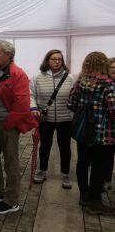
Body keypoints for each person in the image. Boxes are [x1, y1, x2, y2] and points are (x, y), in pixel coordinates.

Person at [0, 40, 37, 214]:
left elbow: (22, 105)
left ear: (9, 55)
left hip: (6, 125)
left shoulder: (18, 74)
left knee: (11, 161)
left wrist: (8, 124)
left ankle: (11, 200)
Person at [68, 52, 115, 215]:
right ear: (103, 65)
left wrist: (85, 114)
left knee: (82, 162)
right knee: (99, 167)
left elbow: (71, 103)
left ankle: (84, 195)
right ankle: (95, 202)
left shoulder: (80, 82)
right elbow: (113, 110)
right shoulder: (108, 85)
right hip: (104, 134)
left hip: (83, 132)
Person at [30, 50, 74, 189]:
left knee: (65, 147)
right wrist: (33, 108)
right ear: (47, 60)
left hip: (65, 118)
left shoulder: (70, 77)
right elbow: (31, 95)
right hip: (45, 118)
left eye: (59, 59)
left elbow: (74, 97)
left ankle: (66, 174)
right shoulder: (37, 77)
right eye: (53, 59)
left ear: (62, 62)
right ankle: (42, 171)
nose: (56, 61)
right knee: (45, 146)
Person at [104, 58, 115, 191]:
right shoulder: (104, 85)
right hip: (107, 129)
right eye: (111, 67)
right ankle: (106, 179)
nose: (114, 70)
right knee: (108, 156)